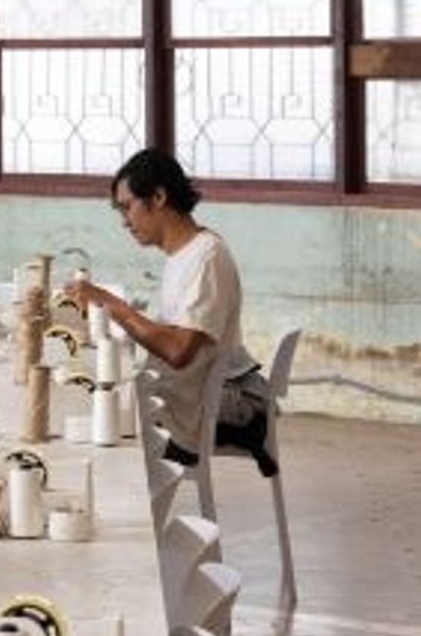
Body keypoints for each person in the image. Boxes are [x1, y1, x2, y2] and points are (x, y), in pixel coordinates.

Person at [67, 147, 277, 475]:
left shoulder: (207, 257)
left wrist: (112, 304)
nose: (124, 222)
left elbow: (178, 350)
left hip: (210, 405)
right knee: (87, 400)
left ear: (159, 197)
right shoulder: (182, 255)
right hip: (188, 393)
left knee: (101, 421)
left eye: (128, 207)